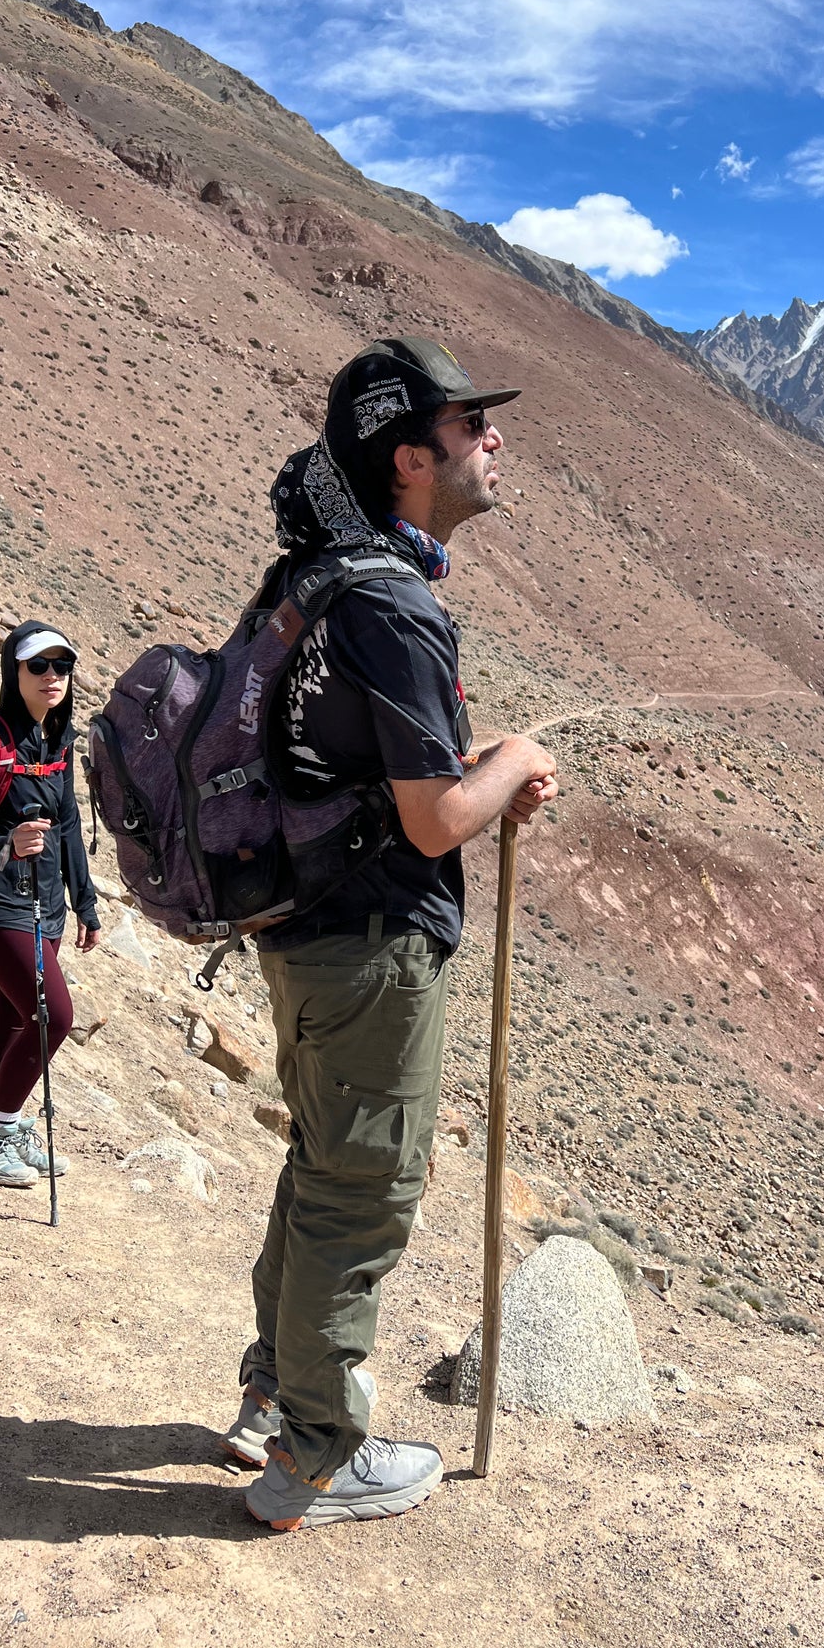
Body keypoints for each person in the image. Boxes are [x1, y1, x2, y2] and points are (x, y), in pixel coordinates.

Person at [226, 336, 558, 1531]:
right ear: (411, 458)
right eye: (472, 426)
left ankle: (273, 1395)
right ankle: (312, 1457)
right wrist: (511, 762)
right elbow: (428, 825)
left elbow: (346, 764)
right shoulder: (397, 605)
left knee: (319, 1163)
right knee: (361, 1188)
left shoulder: (316, 580)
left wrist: (462, 774)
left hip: (299, 927)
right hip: (369, 945)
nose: (493, 441)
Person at [0, 622, 101, 1188]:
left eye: (61, 667)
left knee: (14, 1016)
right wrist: (6, 843)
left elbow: (67, 829)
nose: (51, 677)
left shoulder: (58, 743)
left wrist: (85, 905)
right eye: (38, 666)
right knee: (53, 1016)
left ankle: (8, 1133)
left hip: (46, 906)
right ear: (13, 672)